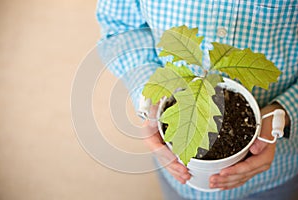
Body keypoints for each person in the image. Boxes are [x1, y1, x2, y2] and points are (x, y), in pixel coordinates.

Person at [96, 0, 298, 199]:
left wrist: (286, 111)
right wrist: (150, 95)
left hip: (276, 173)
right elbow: (120, 27)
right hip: (176, 176)